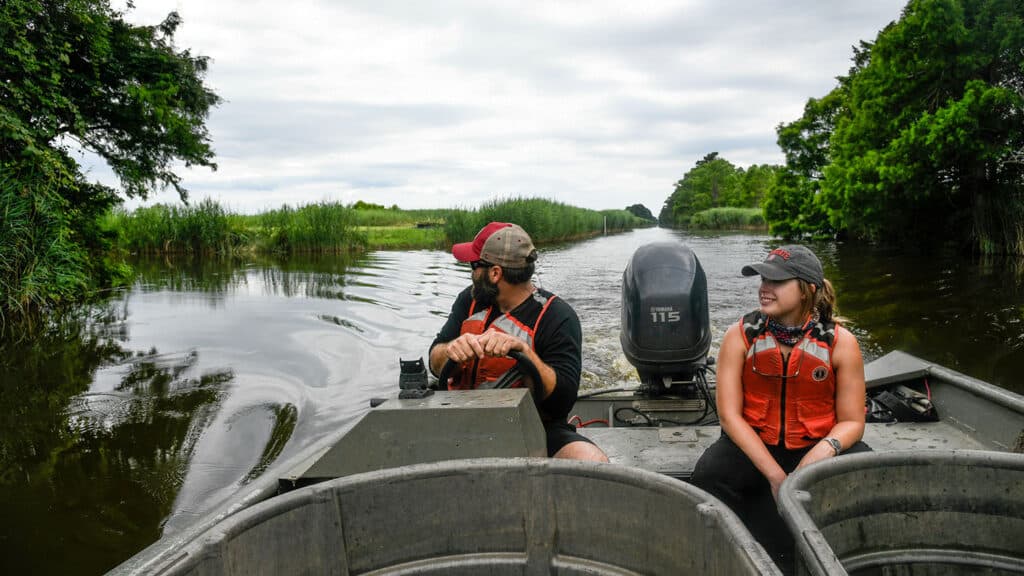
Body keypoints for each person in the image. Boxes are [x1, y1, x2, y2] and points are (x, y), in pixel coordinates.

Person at [690, 245, 870, 562]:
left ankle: (849, 555)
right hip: (755, 444)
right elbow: (729, 417)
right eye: (763, 279)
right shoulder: (740, 336)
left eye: (776, 281)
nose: (764, 287)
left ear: (806, 289)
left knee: (866, 471)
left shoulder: (841, 343)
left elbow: (852, 422)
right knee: (710, 473)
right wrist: (776, 478)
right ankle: (729, 555)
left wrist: (820, 453)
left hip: (814, 446)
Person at [429, 222, 608, 462]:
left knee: (591, 460)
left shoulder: (558, 317)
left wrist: (525, 352)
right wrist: (451, 350)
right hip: (458, 420)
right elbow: (434, 361)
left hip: (533, 428)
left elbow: (562, 402)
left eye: (474, 266)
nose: (472, 274)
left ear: (495, 273)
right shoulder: (468, 300)